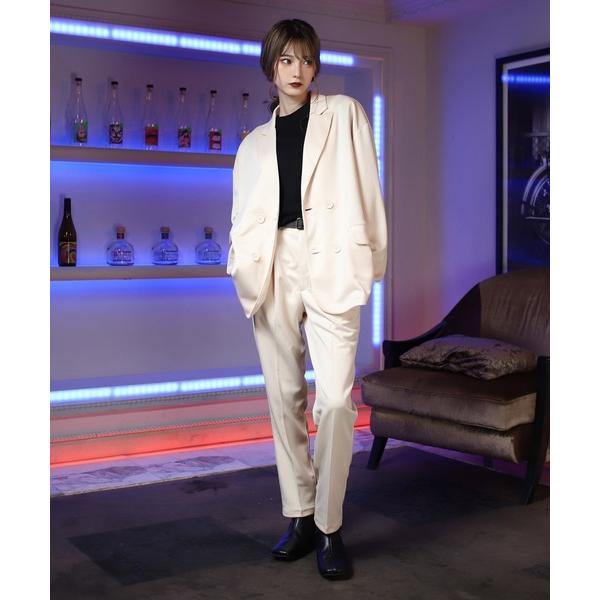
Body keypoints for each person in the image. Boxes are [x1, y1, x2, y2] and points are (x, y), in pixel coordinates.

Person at [227, 18, 387, 580]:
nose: (297, 70)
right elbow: (242, 215)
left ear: (316, 65)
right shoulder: (252, 145)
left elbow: (369, 189)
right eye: (286, 59)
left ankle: (329, 524)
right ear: (271, 66)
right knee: (284, 398)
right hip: (272, 265)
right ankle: (298, 515)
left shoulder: (344, 114)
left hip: (332, 260)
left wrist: (372, 262)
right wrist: (240, 263)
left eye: (306, 59)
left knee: (337, 401)